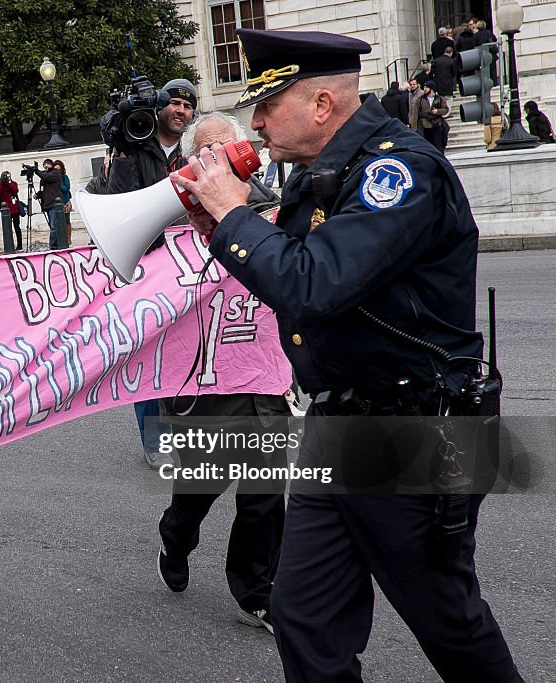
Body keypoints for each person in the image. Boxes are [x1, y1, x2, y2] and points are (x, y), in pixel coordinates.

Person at [172, 27, 524, 682]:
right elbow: (300, 277)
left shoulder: (399, 170)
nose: (256, 124)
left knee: (447, 619)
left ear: (323, 107)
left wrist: (236, 216)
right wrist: (224, 226)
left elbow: (313, 285)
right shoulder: (323, 177)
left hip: (415, 425)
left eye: (268, 105)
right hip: (341, 424)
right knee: (303, 615)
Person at [156, 111, 288, 636]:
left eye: (224, 148)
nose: (215, 157)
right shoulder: (170, 220)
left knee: (264, 497)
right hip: (208, 378)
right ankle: (176, 534)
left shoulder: (272, 209)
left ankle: (256, 592)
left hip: (267, 374)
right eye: (204, 150)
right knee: (201, 486)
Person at [105, 77, 197, 469]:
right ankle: (155, 441)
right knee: (148, 356)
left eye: (188, 106)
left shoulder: (198, 147)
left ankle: (194, 433)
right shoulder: (135, 142)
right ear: (158, 107)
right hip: (149, 264)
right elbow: (118, 203)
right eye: (173, 103)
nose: (180, 111)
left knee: (194, 350)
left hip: (193, 264)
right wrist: (124, 151)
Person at [33, 158, 64, 249]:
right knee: (53, 226)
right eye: (44, 164)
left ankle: (53, 246)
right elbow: (43, 189)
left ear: (51, 165)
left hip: (54, 204)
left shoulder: (55, 173)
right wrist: (38, 195)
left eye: (47, 164)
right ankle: (57, 243)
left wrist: (37, 171)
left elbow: (47, 177)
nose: (45, 166)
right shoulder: (45, 176)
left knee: (54, 226)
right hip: (47, 205)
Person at [418, 80, 449, 153]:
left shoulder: (440, 98)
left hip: (437, 125)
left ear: (431, 89)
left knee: (439, 147)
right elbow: (416, 112)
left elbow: (446, 109)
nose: (424, 89)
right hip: (426, 126)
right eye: (424, 87)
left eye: (426, 87)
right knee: (429, 148)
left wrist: (437, 111)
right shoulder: (421, 99)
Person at [0, 171, 23, 250]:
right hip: (6, 210)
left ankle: (19, 244)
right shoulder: (0, 184)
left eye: (8, 176)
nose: (7, 178)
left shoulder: (13, 183)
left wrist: (9, 182)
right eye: (5, 176)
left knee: (17, 227)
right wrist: (2, 183)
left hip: (14, 209)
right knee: (7, 228)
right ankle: (9, 245)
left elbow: (15, 190)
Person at [55, 159, 72, 245]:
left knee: (67, 220)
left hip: (65, 201)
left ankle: (68, 237)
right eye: (55, 169)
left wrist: (59, 184)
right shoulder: (53, 178)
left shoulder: (65, 177)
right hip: (56, 203)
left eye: (59, 169)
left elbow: (66, 188)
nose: (57, 171)